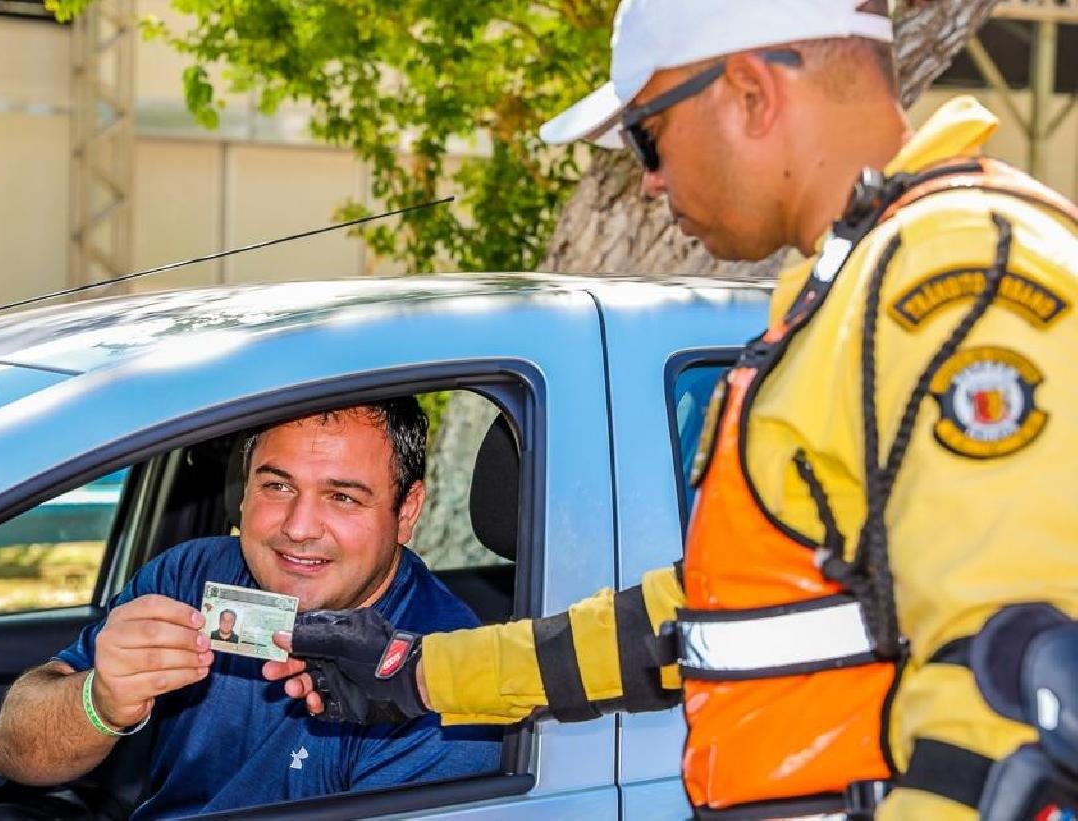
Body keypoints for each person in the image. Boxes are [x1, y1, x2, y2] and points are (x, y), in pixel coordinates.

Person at [262, 2, 1078, 819]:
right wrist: (415, 671)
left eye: (648, 135)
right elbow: (695, 621)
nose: (648, 179)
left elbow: (1016, 689)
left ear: (753, 92)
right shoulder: (857, 291)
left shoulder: (962, 276)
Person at [0, 398, 501, 818]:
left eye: (342, 497)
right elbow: (10, 753)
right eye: (277, 486)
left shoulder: (438, 678)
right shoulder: (187, 578)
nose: (299, 527)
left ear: (406, 511)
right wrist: (99, 701)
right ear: (244, 488)